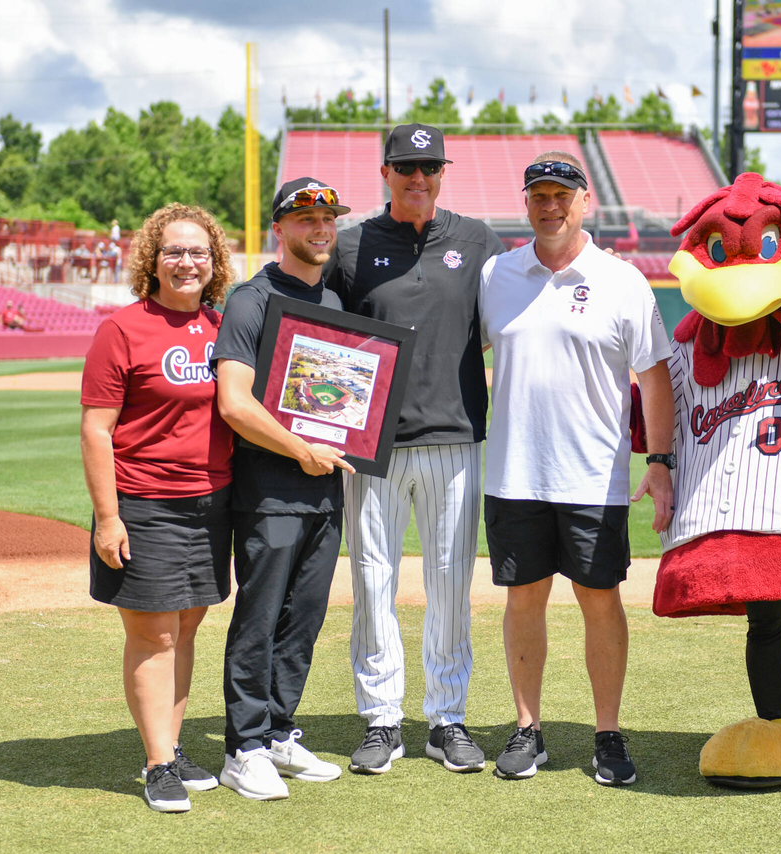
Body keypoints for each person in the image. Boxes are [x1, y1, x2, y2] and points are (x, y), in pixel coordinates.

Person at [479, 153, 674, 785]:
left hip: (593, 475)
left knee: (600, 601)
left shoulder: (622, 281)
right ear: (527, 202)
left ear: (585, 202)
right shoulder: (496, 275)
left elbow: (654, 378)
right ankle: (527, 728)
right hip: (513, 473)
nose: (550, 205)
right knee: (524, 599)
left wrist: (661, 461)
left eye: (563, 194)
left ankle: (608, 734)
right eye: (539, 194)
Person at [324, 123, 506, 775]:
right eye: (406, 167)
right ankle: (381, 719)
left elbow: (497, 326)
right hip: (370, 442)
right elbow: (321, 342)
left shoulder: (479, 241)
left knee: (451, 583)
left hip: (455, 434)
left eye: (429, 168)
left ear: (442, 173)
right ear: (386, 172)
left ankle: (447, 718)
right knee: (373, 581)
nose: (418, 178)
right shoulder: (349, 248)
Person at [79, 202, 235, 812]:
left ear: (214, 261)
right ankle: (157, 764)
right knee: (155, 634)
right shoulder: (122, 329)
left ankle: (168, 745)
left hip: (211, 499)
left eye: (199, 251)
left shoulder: (223, 325)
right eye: (174, 250)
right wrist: (108, 516)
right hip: (145, 502)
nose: (186, 262)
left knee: (190, 623)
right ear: (153, 259)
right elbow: (96, 431)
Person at [212, 179, 357, 800]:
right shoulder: (252, 299)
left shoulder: (337, 296)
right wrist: (303, 451)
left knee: (304, 619)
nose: (319, 228)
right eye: (305, 218)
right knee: (260, 618)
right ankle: (242, 748)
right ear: (280, 228)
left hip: (327, 489)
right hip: (271, 488)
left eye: (327, 218)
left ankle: (276, 732)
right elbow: (234, 404)